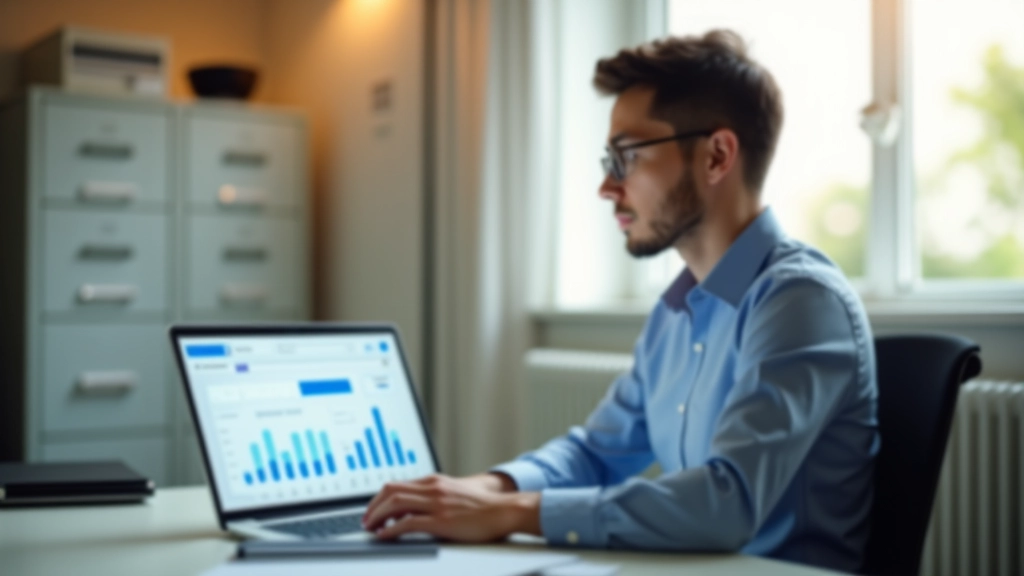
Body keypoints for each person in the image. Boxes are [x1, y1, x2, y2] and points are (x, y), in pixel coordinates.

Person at [362, 30, 879, 573]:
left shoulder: (799, 300)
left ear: (717, 156)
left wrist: (509, 512)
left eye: (626, 156)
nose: (607, 187)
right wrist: (479, 490)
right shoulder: (676, 311)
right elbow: (597, 452)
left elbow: (727, 504)